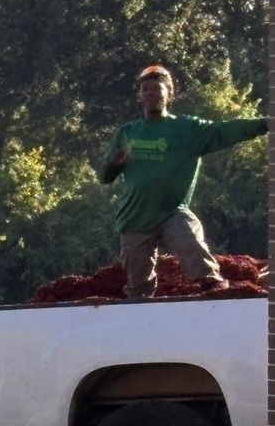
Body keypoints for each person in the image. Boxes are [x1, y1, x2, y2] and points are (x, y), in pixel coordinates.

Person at [98, 64, 267, 299]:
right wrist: (113, 163)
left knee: (190, 237)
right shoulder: (127, 133)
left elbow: (223, 130)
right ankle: (139, 309)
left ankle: (213, 287)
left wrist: (264, 123)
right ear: (140, 96)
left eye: (157, 88)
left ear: (169, 93)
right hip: (134, 217)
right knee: (138, 287)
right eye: (145, 89)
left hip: (171, 211)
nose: (151, 93)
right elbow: (104, 177)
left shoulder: (186, 129)